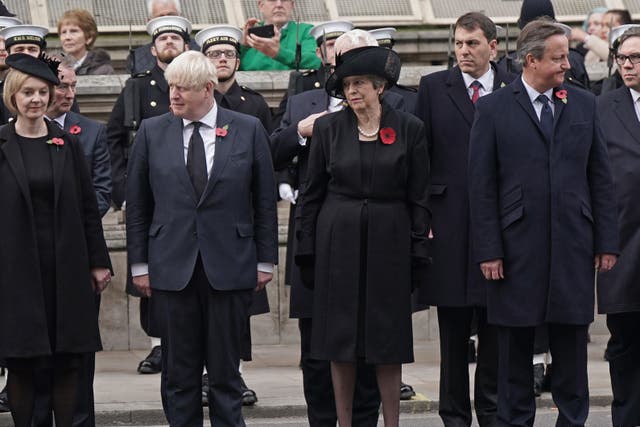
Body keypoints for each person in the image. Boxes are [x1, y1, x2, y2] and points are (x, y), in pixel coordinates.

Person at [468, 19, 619, 427]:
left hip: (573, 247)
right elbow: (481, 186)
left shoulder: (584, 104)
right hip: (516, 251)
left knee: (571, 351)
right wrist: (489, 249)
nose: (567, 65)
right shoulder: (493, 109)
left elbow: (600, 179)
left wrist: (606, 242)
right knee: (515, 354)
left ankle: (572, 421)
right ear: (530, 61)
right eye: (557, 58)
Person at [126, 50, 278, 427]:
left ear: (208, 89)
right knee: (178, 373)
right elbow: (139, 205)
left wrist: (264, 260)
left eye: (183, 88)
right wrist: (140, 265)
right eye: (170, 87)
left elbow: (264, 201)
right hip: (171, 268)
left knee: (226, 373)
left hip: (229, 266)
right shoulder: (152, 131)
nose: (173, 95)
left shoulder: (247, 128)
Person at [295, 44, 430, 427]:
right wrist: (307, 249)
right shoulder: (328, 128)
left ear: (380, 87)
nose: (352, 91)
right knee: (340, 341)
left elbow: (419, 196)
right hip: (338, 243)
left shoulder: (409, 128)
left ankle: (391, 422)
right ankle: (345, 421)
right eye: (347, 85)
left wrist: (419, 249)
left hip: (390, 243)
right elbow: (312, 192)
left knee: (386, 340)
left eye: (360, 84)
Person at [271, 22, 384, 427]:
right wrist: (301, 133)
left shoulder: (397, 105)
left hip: (372, 242)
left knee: (369, 345)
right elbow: (272, 151)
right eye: (339, 56)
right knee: (316, 348)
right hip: (314, 242)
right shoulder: (304, 102)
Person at [0, 53, 112, 427]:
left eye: (42, 92)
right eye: (28, 92)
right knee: (23, 361)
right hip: (15, 272)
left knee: (68, 361)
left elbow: (86, 208)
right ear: (13, 96)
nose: (36, 99)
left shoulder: (67, 143)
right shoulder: (0, 145)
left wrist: (98, 263)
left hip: (66, 270)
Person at [415, 11, 515, 427]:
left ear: (493, 47)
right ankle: (454, 414)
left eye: (472, 44)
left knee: (495, 327)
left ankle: (490, 410)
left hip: (501, 226)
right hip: (450, 224)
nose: (463, 51)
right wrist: (424, 220)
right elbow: (420, 160)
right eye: (457, 43)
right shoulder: (434, 87)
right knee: (453, 330)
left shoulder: (512, 89)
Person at [106, 15, 191, 378]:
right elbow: (114, 139)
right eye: (163, 38)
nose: (169, 42)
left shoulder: (197, 84)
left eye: (175, 37)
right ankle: (156, 346)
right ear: (152, 48)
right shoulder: (138, 87)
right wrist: (123, 189)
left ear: (186, 46)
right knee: (147, 269)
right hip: (148, 194)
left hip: (186, 194)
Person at [195, 23, 273, 406]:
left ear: (238, 62)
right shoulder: (194, 104)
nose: (222, 60)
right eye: (214, 55)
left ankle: (234, 377)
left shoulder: (253, 105)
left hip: (238, 227)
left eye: (228, 54)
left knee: (236, 314)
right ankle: (204, 377)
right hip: (202, 228)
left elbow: (265, 165)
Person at [596, 26, 640, 427]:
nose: (627, 65)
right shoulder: (604, 106)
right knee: (625, 341)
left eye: (636, 58)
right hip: (622, 244)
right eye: (622, 58)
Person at [240, 0, 320, 71]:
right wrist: (243, 47)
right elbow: (231, 70)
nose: (279, 5)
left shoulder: (305, 31)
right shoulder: (246, 35)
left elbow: (316, 61)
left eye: (284, 0)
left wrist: (279, 53)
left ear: (292, 5)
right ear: (261, 5)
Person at [126, 0, 199, 76]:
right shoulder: (136, 58)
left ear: (180, 16)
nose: (166, 20)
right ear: (149, 21)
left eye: (171, 15)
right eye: (160, 17)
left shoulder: (200, 51)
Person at [369, 27, 418, 114]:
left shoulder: (412, 98)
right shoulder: (357, 98)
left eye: (388, 54)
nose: (386, 60)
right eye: (379, 55)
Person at [57, 9, 114, 75]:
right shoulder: (53, 67)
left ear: (89, 38)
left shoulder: (103, 70)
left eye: (73, 31)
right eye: (63, 32)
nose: (67, 37)